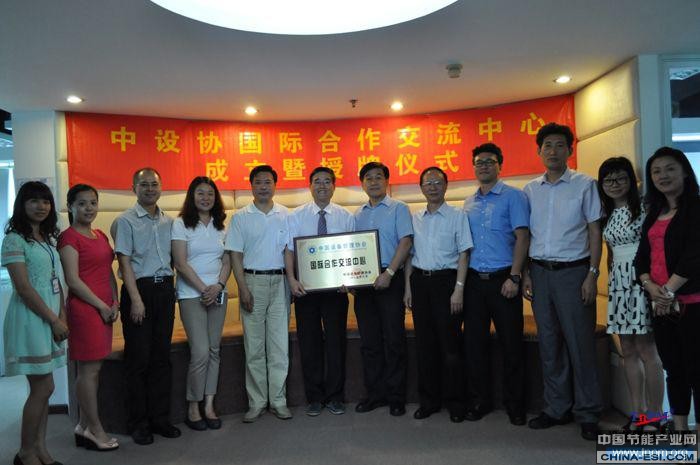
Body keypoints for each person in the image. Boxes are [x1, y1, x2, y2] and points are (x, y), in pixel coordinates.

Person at [522, 123, 603, 441]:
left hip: (574, 273)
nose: (553, 151)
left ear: (570, 149)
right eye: (547, 146)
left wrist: (592, 274)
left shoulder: (585, 184)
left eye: (559, 145)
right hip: (540, 273)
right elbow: (527, 235)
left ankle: (588, 412)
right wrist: (526, 273)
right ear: (538, 151)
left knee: (580, 344)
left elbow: (595, 231)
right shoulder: (531, 189)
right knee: (549, 343)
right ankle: (557, 408)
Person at [111, 167, 180, 445]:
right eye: (144, 185)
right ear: (134, 189)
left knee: (161, 357)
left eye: (154, 184)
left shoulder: (169, 221)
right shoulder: (125, 221)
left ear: (161, 187)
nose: (150, 189)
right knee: (138, 359)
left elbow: (175, 259)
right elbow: (124, 263)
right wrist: (136, 299)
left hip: (165, 289)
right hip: (139, 290)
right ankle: (138, 423)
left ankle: (160, 419)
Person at [462, 143, 530, 426]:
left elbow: (523, 237)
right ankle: (480, 400)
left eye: (490, 161)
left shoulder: (514, 196)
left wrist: (515, 276)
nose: (484, 166)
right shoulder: (468, 202)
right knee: (474, 345)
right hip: (474, 282)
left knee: (511, 344)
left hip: (504, 280)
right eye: (479, 162)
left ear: (500, 165)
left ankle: (515, 404)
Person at [634, 147, 700, 432]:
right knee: (674, 369)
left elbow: (694, 256)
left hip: (691, 303)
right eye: (656, 171)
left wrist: (668, 292)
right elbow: (641, 258)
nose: (663, 175)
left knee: (697, 370)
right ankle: (681, 430)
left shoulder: (696, 208)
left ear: (684, 171)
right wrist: (650, 287)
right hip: (661, 304)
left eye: (670, 168)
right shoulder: (655, 212)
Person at [2, 181, 68, 465]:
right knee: (41, 388)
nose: (41, 206)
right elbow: (24, 288)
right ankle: (25, 452)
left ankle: (39, 449)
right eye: (34, 201)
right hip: (30, 320)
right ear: (22, 204)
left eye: (45, 201)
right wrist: (54, 319)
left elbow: (56, 281)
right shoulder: (14, 239)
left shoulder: (47, 238)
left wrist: (62, 314)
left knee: (47, 388)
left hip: (50, 318)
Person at [597, 157, 663, 430]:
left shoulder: (646, 208)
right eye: (608, 180)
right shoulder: (606, 213)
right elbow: (610, 254)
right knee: (628, 349)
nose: (614, 184)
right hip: (619, 284)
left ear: (632, 181)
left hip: (642, 280)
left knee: (648, 349)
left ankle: (655, 416)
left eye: (620, 178)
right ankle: (638, 414)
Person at [285, 166, 355, 416]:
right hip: (306, 290)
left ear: (334, 186)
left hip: (337, 291)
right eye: (317, 181)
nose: (322, 185)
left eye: (327, 181)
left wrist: (350, 280)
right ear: (310, 186)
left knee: (336, 342)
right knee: (309, 343)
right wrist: (291, 279)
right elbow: (289, 250)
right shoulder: (296, 215)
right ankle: (314, 397)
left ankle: (335, 396)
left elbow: (353, 251)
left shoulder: (346, 216)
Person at [403, 166, 471, 422]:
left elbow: (464, 253)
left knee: (450, 345)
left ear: (446, 186)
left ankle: (456, 402)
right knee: (425, 345)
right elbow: (409, 256)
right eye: (427, 183)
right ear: (421, 188)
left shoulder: (457, 215)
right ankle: (429, 401)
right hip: (420, 283)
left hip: (447, 284)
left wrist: (459, 289)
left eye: (437, 182)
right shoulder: (415, 218)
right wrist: (408, 288)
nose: (432, 187)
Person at [226, 165, 292, 422]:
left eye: (268, 182)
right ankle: (257, 402)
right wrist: (242, 288)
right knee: (254, 347)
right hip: (252, 282)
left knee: (279, 346)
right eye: (258, 182)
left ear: (275, 185)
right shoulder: (240, 217)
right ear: (251, 185)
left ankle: (279, 401)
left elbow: (289, 252)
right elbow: (235, 255)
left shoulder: (286, 215)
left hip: (280, 282)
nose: (263, 186)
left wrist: (292, 281)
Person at [58, 184, 120, 451]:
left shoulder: (100, 235)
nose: (88, 208)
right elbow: (73, 280)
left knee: (94, 370)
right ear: (71, 207)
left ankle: (83, 427)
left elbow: (107, 271)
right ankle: (95, 429)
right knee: (88, 371)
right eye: (81, 203)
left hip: (105, 308)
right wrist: (101, 306)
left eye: (93, 203)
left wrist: (115, 301)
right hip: (85, 310)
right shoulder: (68, 238)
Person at [353, 162, 413, 416]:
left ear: (387, 181)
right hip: (364, 285)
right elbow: (352, 249)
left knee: (394, 340)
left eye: (378, 177)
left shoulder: (399, 208)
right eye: (368, 178)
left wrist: (389, 273)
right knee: (369, 343)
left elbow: (406, 242)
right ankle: (374, 395)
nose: (374, 182)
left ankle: (396, 396)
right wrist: (351, 279)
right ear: (362, 184)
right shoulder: (357, 214)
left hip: (391, 278)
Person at [172, 177, 231, 431]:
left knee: (214, 350)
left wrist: (218, 285)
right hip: (191, 294)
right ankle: (193, 406)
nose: (205, 198)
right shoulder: (181, 224)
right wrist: (203, 289)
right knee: (200, 351)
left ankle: (209, 405)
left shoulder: (221, 226)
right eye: (200, 193)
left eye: (210, 194)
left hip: (217, 292)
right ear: (192, 196)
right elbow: (180, 262)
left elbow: (227, 260)